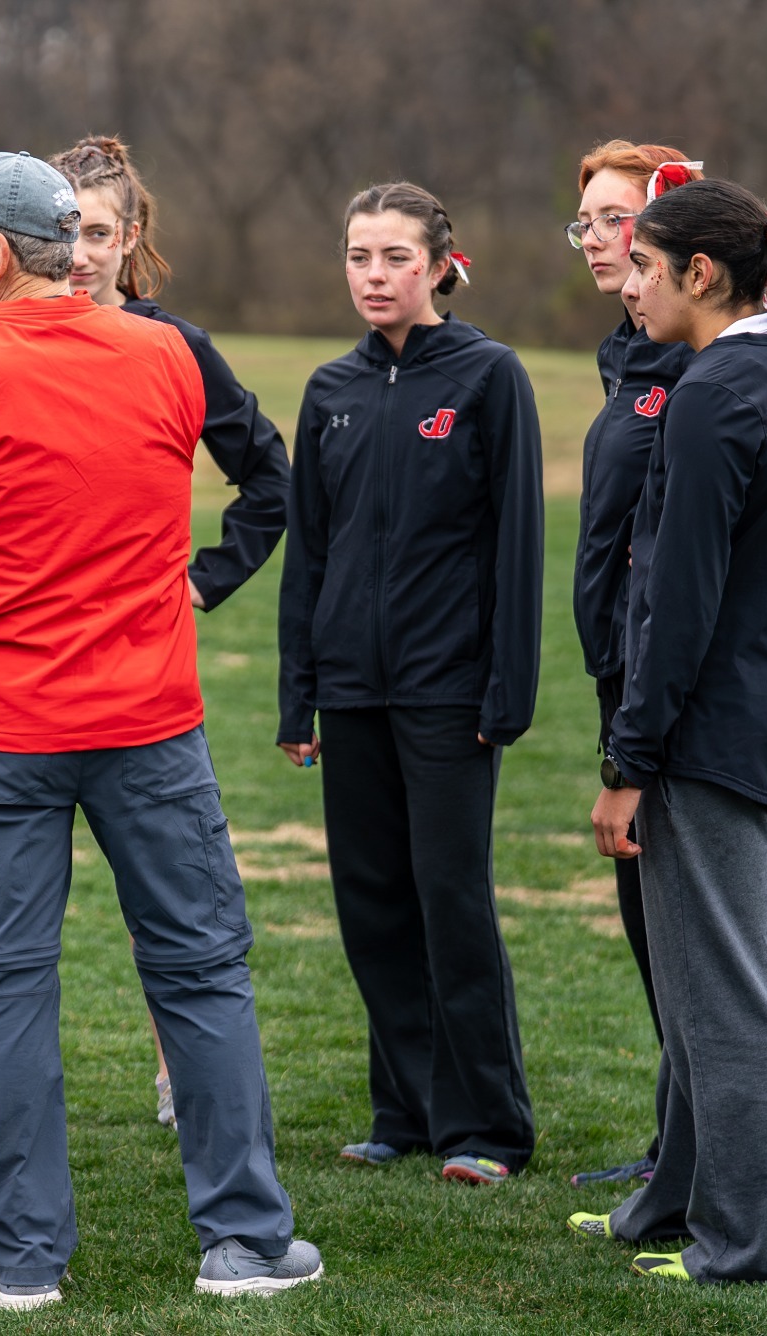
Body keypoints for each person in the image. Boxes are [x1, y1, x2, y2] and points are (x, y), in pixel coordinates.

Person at [0, 151, 321, 1309]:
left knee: (0, 983)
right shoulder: (165, 354)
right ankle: (243, 1242)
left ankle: (27, 1262)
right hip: (148, 721)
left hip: (2, 727)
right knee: (200, 971)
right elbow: (216, 470)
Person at [569, 178, 767, 1285]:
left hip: (710, 739)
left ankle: (752, 1244)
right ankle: (672, 1200)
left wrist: (628, 761)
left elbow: (674, 602)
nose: (628, 286)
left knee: (730, 1001)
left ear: (700, 273)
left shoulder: (711, 393)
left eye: (643, 266)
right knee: (704, 988)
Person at [277, 182, 543, 1187]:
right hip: (350, 691)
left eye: (394, 257)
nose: (374, 275)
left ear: (437, 265)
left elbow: (516, 545)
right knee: (372, 904)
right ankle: (407, 1111)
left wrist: (505, 693)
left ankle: (489, 1126)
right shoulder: (329, 390)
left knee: (450, 902)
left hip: (448, 694)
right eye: (358, 256)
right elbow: (310, 553)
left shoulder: (488, 377)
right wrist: (297, 693)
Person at [565, 142, 703, 1189]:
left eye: (616, 219)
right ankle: (676, 1147)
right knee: (650, 931)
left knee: (688, 942)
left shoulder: (696, 365)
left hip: (671, 690)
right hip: (621, 678)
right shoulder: (626, 354)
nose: (596, 240)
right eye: (586, 222)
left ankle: (702, 1164)